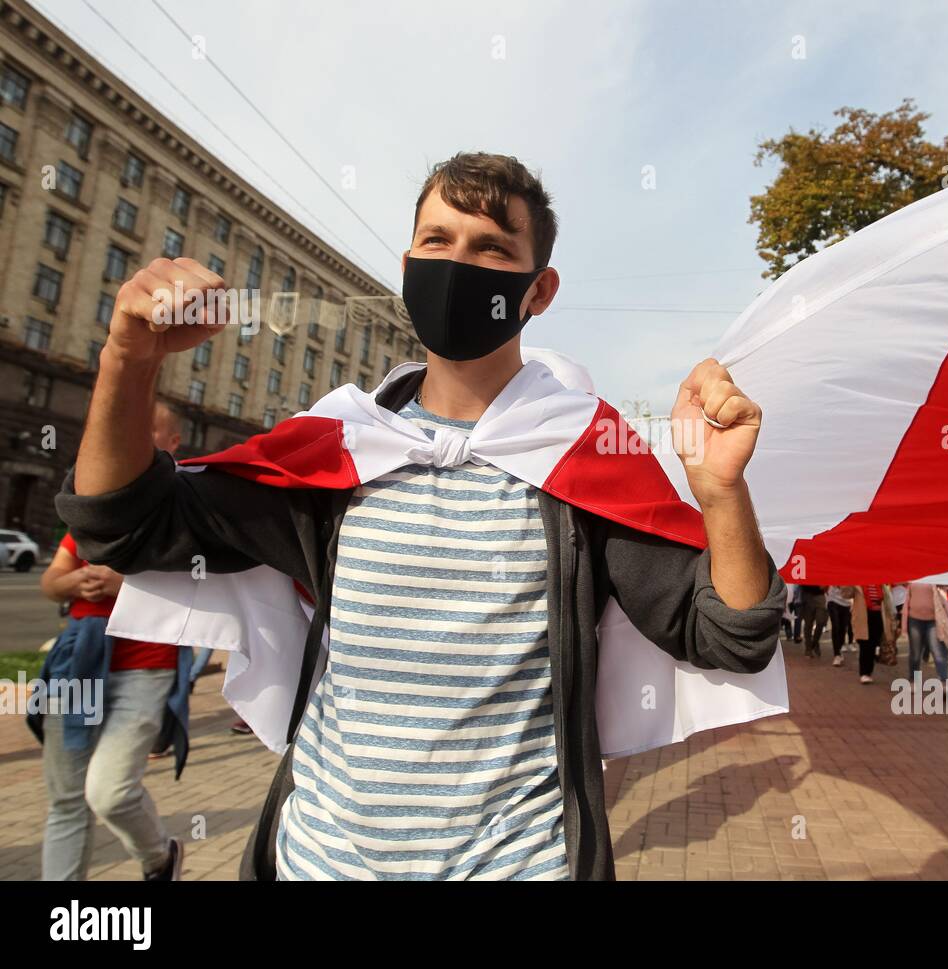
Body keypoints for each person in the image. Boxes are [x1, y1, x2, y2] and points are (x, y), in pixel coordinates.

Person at [57, 152, 783, 882]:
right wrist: (128, 356)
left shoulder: (584, 458)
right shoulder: (332, 451)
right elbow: (126, 525)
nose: (459, 265)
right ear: (408, 265)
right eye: (437, 242)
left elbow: (728, 634)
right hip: (316, 864)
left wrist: (720, 492)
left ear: (539, 290)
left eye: (493, 247)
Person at [30, 403, 189, 881]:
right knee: (66, 799)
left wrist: (125, 584)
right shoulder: (94, 502)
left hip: (145, 665)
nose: (129, 436)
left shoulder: (189, 501)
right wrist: (75, 584)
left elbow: (205, 587)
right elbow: (52, 581)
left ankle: (159, 857)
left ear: (174, 442)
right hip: (78, 664)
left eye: (145, 428)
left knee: (110, 792)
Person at [901, 582, 948, 684]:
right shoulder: (912, 574)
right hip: (914, 620)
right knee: (915, 654)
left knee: (938, 652)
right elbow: (901, 581)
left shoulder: (936, 575)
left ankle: (944, 681)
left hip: (933, 621)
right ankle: (913, 680)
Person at [849, 583, 896, 684]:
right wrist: (847, 582)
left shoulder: (881, 583)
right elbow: (846, 594)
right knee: (864, 644)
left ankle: (868, 672)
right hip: (864, 616)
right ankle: (864, 673)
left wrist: (891, 618)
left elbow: (887, 601)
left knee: (873, 644)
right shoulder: (858, 583)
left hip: (878, 616)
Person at [827, 585, 855, 667]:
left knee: (843, 628)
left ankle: (839, 649)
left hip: (846, 602)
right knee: (835, 626)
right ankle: (837, 655)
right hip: (833, 600)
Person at [799, 584, 829, 659]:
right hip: (807, 595)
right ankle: (808, 649)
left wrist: (825, 585)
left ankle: (815, 642)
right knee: (808, 624)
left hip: (820, 595)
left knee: (821, 621)